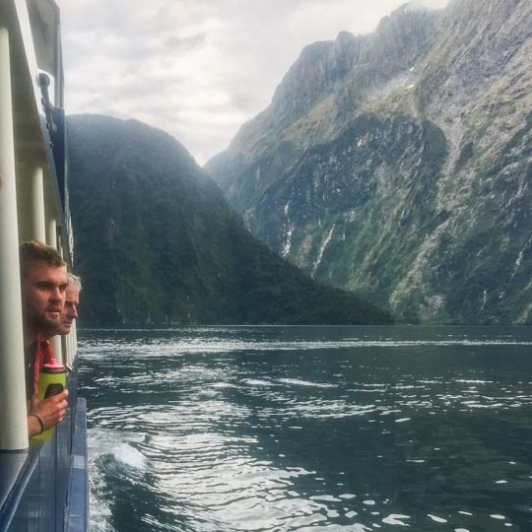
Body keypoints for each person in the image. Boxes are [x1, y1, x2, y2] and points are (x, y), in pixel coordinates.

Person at [19, 241, 69, 438]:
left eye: (62, 287)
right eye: (45, 286)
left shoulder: (36, 348)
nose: (58, 297)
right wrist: (37, 422)